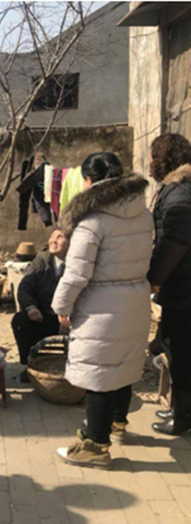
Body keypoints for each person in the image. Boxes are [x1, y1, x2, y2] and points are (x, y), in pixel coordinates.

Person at [52, 152, 152, 469]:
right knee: (123, 364)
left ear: (88, 180)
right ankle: (117, 423)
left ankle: (95, 445)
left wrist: (61, 306)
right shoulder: (142, 212)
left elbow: (76, 274)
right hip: (135, 298)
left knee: (98, 375)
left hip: (101, 306)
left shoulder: (92, 220)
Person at [147, 133, 191, 435]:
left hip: (184, 291)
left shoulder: (179, 195)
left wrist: (153, 278)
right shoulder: (178, 190)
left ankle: (183, 417)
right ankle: (180, 409)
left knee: (182, 354)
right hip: (182, 289)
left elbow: (174, 243)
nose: (150, 163)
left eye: (153, 157)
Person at [11, 228, 69, 383]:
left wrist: (69, 316)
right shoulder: (42, 261)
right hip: (45, 316)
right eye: (52, 236)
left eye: (59, 237)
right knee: (20, 322)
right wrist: (31, 307)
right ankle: (30, 366)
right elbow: (25, 287)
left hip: (72, 319)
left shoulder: (80, 264)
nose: (53, 240)